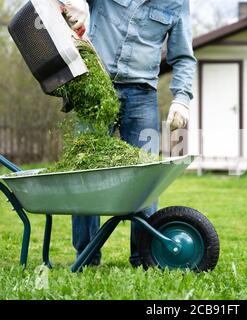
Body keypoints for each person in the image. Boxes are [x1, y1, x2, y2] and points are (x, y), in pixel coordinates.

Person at [62, 0, 196, 267]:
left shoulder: (177, 3)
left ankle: (144, 257)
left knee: (146, 177)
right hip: (95, 85)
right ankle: (87, 257)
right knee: (85, 172)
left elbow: (182, 56)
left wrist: (182, 98)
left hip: (142, 94)